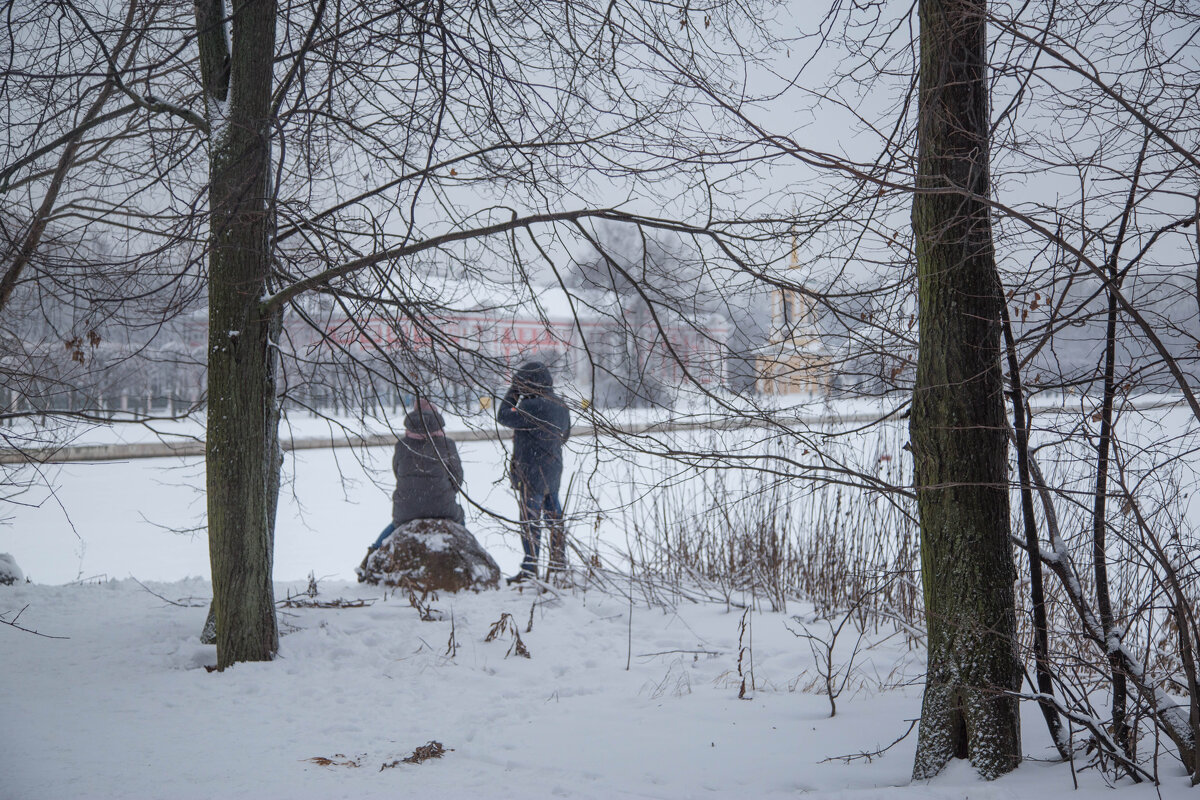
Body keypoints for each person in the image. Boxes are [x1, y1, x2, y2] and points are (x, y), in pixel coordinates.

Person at [496, 361, 571, 582]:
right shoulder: (561, 404)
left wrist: (513, 392)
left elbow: (502, 415)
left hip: (531, 471)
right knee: (554, 518)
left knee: (530, 521)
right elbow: (564, 435)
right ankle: (558, 564)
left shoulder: (530, 407)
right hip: (553, 469)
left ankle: (530, 568)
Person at [368, 399, 464, 553]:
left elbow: (398, 473)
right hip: (443, 508)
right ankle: (471, 559)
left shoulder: (401, 445)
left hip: (407, 508)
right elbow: (457, 478)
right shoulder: (447, 445)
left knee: (394, 526)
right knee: (461, 525)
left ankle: (371, 554)